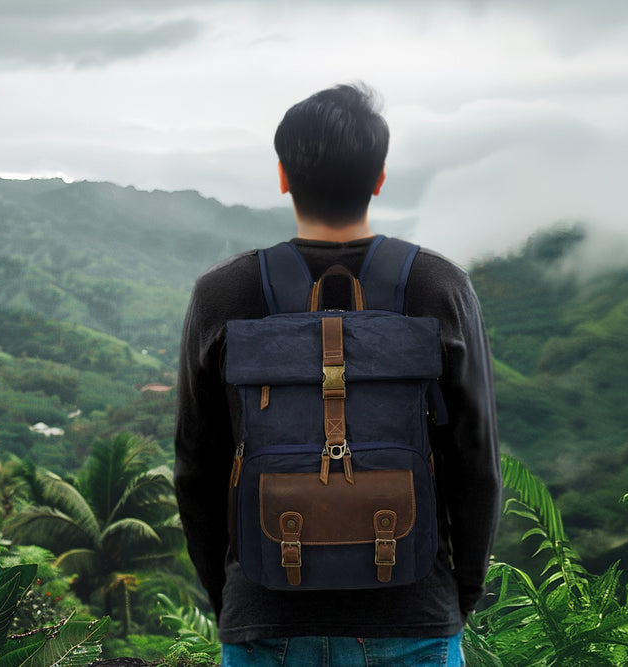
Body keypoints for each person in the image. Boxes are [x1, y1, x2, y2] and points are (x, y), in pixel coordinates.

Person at [174, 83, 501, 667]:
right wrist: (459, 594)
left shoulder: (223, 293)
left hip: (264, 619)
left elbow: (196, 466)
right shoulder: (439, 286)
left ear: (282, 175)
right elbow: (475, 459)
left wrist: (235, 601)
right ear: (378, 178)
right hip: (413, 616)